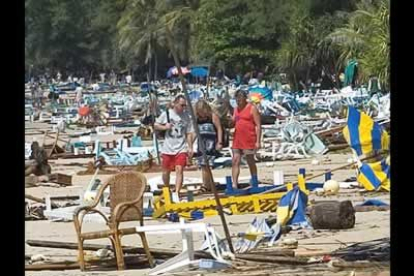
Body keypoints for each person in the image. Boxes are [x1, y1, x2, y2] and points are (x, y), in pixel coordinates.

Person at [154, 95, 195, 195]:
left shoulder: (187, 116)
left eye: (185, 105)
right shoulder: (167, 114)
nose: (183, 107)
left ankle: (177, 191)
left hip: (181, 148)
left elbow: (189, 132)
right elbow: (155, 125)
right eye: (182, 105)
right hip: (168, 147)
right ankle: (167, 188)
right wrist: (164, 127)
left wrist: (190, 147)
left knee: (179, 169)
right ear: (176, 104)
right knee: (165, 171)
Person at [230, 90, 261, 189]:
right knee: (235, 160)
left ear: (244, 98)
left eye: (240, 99)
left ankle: (254, 179)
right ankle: (234, 183)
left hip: (249, 137)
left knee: (250, 160)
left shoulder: (252, 108)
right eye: (237, 99)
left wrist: (258, 141)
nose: (238, 101)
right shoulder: (236, 109)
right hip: (237, 137)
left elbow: (258, 125)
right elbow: (234, 121)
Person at [194, 99, 223, 191]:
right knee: (202, 165)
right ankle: (208, 184)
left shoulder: (212, 116)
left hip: (210, 143)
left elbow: (219, 129)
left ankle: (207, 185)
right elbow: (194, 132)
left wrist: (220, 142)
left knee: (207, 165)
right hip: (201, 143)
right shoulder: (197, 119)